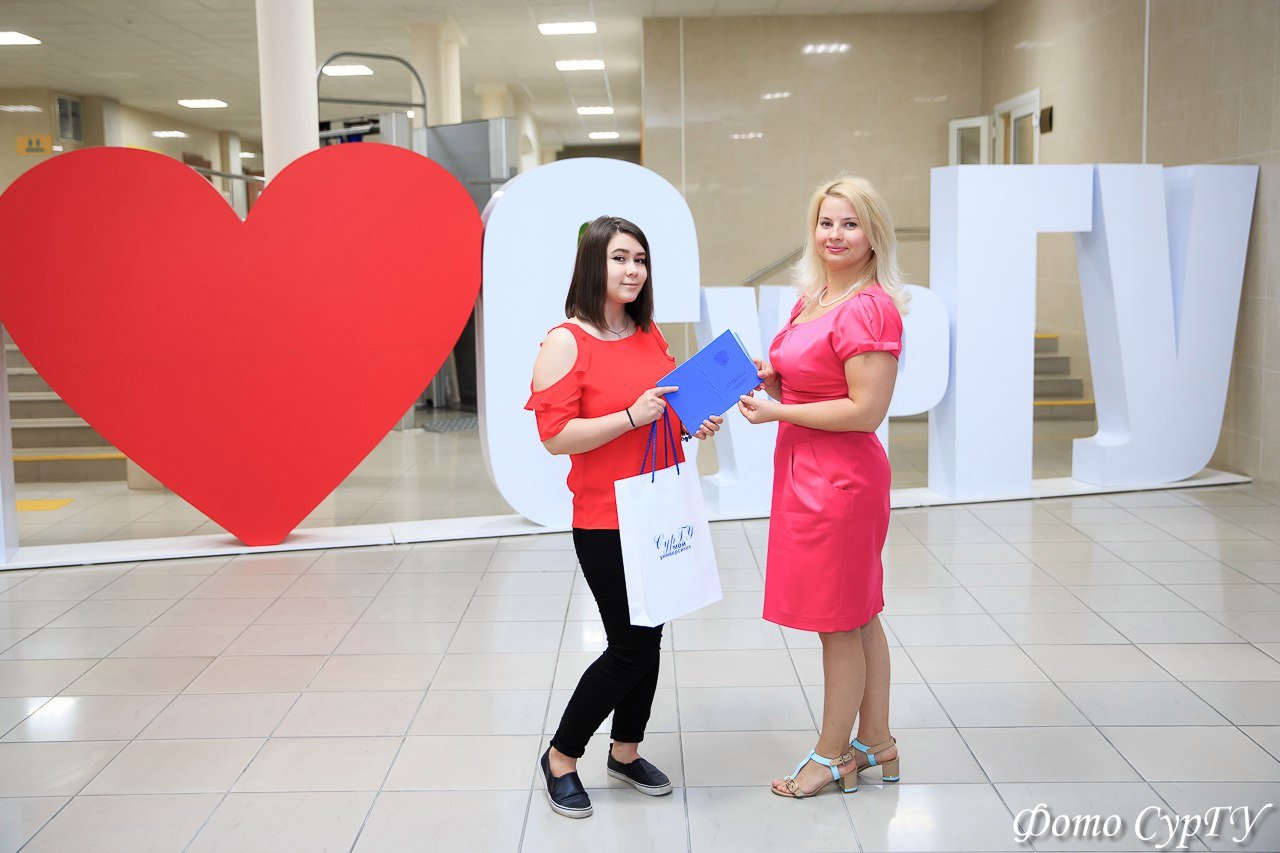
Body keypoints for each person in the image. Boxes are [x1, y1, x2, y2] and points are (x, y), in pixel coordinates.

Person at [525, 215, 722, 819]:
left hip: (658, 508)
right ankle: (562, 756)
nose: (633, 270)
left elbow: (662, 410)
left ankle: (626, 752)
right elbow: (555, 437)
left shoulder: (646, 331)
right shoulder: (566, 341)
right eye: (619, 258)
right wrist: (633, 417)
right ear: (593, 264)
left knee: (649, 637)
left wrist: (689, 421)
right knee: (630, 648)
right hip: (604, 517)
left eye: (640, 259)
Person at [737, 176, 908, 798]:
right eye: (826, 222)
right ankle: (876, 740)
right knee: (859, 614)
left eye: (850, 224)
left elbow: (865, 410)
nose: (835, 235)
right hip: (805, 469)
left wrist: (779, 411)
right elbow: (813, 379)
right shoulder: (813, 299)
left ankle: (832, 757)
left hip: (840, 479)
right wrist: (774, 380)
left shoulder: (871, 307)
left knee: (839, 620)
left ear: (873, 235)